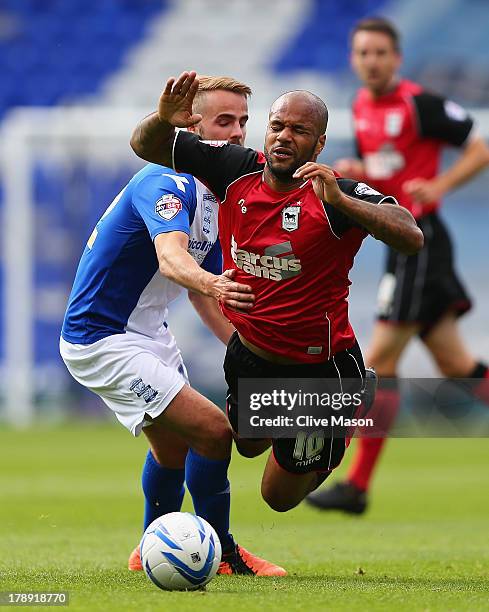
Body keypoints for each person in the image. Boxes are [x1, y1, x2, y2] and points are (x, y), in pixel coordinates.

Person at [129, 70, 423, 513]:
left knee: (277, 497)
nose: (284, 137)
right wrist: (162, 118)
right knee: (246, 446)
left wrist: (344, 203)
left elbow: (410, 234)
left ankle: (335, 424)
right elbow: (145, 144)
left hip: (318, 370)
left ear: (319, 144)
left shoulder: (334, 194)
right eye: (277, 126)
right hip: (250, 354)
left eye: (299, 130)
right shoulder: (232, 169)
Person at [60, 75, 287, 577]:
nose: (235, 133)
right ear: (191, 125)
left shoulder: (220, 194)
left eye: (243, 122)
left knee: (174, 445)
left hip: (145, 334)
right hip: (101, 337)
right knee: (212, 432)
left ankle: (148, 548)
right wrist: (214, 285)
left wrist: (244, 347)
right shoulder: (165, 181)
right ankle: (225, 554)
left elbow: (200, 290)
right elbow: (173, 262)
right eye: (223, 121)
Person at [305, 17, 489, 514]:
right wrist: (359, 173)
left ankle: (356, 483)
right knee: (455, 365)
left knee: (379, 363)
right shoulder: (362, 105)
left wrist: (442, 186)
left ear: (397, 58)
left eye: (380, 53)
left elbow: (480, 147)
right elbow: (385, 168)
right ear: (354, 59)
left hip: (421, 242)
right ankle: (357, 484)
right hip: (402, 244)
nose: (372, 61)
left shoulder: (420, 104)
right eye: (363, 53)